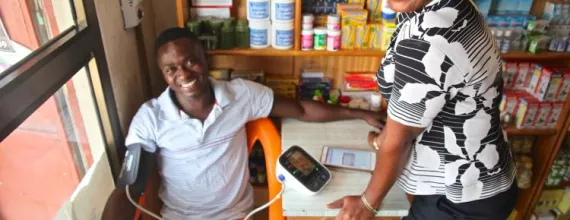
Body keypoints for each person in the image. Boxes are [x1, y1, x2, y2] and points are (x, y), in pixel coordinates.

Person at [101, 27, 384, 220]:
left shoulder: (241, 95)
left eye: (190, 62)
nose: (183, 74)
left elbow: (300, 108)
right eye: (171, 69)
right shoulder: (149, 119)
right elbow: (129, 187)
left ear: (206, 58)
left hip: (236, 215)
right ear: (163, 74)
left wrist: (358, 113)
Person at [327, 0, 518, 219]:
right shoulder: (449, 6)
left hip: (459, 197)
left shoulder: (428, 36)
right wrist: (383, 139)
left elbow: (403, 138)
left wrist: (367, 203)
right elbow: (422, 105)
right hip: (482, 176)